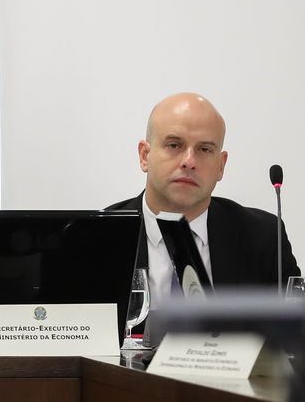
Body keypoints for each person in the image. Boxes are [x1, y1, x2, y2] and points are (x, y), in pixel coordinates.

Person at [107, 92, 299, 304]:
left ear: (221, 166)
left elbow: (293, 321)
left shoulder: (263, 238)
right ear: (145, 156)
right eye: (174, 145)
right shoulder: (101, 235)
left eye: (204, 149)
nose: (189, 162)